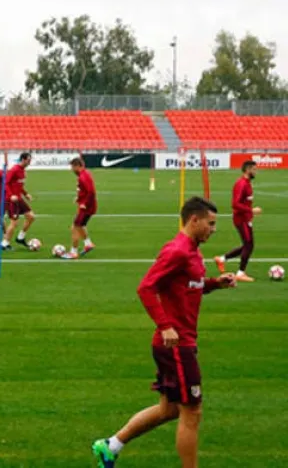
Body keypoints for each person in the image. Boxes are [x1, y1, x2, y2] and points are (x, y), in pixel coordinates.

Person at [91, 196, 235, 468]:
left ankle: (110, 446)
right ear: (194, 220)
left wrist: (216, 283)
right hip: (176, 344)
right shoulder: (177, 251)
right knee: (192, 412)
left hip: (179, 342)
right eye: (211, 223)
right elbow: (146, 288)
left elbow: (190, 286)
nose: (214, 229)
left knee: (169, 409)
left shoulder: (193, 252)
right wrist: (165, 325)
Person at [214, 160, 261, 282]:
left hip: (245, 218)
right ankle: (240, 273)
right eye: (254, 169)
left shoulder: (247, 183)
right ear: (248, 170)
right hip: (241, 219)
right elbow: (235, 204)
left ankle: (221, 259)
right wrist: (251, 210)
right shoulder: (241, 184)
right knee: (249, 245)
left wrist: (250, 213)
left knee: (248, 245)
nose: (256, 172)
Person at [63, 157, 97, 259]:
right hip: (86, 206)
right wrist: (79, 197)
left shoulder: (83, 176)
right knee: (80, 225)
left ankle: (73, 252)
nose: (71, 170)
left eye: (72, 167)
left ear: (77, 166)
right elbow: (85, 191)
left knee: (75, 227)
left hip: (86, 208)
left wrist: (85, 203)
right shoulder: (84, 174)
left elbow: (91, 192)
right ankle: (88, 244)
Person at [2, 152, 35, 250]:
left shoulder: (23, 171)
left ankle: (20, 238)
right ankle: (4, 244)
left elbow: (18, 185)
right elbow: (6, 183)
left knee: (31, 217)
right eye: (28, 160)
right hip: (12, 200)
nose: (29, 162)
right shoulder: (14, 169)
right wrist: (11, 195)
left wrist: (26, 194)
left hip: (19, 199)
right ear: (23, 159)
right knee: (14, 223)